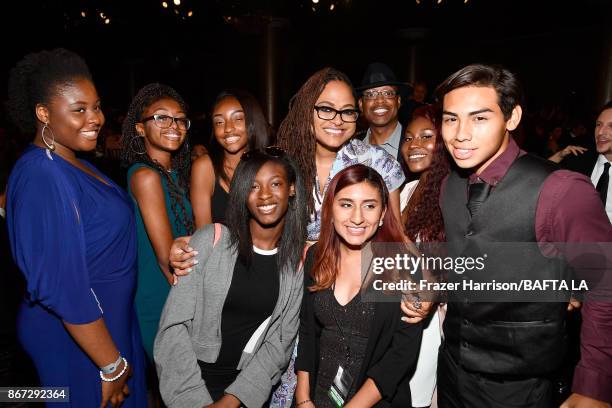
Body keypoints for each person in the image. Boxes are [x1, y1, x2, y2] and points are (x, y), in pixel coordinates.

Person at [435, 64, 612, 407]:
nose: (460, 133)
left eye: (479, 118)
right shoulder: (449, 186)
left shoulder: (561, 189)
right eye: (450, 118)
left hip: (518, 388)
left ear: (512, 118)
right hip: (452, 375)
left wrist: (595, 385)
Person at [6, 48, 146, 407]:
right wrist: (111, 366)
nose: (95, 118)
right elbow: (62, 286)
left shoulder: (69, 160)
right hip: (79, 338)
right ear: (44, 113)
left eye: (97, 106)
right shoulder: (43, 173)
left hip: (105, 325)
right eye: (79, 109)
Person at [155, 148, 308, 407]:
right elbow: (173, 328)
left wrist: (231, 401)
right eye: (253, 186)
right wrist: (193, 399)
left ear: (291, 189)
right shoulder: (211, 241)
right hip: (188, 382)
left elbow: (278, 346)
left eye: (276, 184)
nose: (266, 195)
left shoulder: (296, 264)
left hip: (246, 391)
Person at [294, 164, 423, 407]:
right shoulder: (317, 256)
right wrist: (302, 399)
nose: (357, 217)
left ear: (383, 212)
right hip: (317, 396)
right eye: (346, 204)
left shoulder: (405, 265)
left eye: (369, 206)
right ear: (331, 209)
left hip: (375, 400)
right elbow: (307, 331)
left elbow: (401, 354)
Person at [276, 67, 405, 241]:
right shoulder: (283, 164)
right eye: (327, 109)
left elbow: (396, 234)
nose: (338, 120)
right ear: (306, 111)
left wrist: (419, 267)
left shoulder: (379, 163)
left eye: (347, 111)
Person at [121, 82, 194, 362]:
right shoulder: (146, 176)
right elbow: (168, 261)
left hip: (181, 294)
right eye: (161, 117)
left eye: (178, 119)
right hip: (163, 298)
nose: (173, 125)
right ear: (141, 128)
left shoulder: (175, 174)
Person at [400, 105, 450, 408]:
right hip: (400, 310)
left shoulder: (454, 193)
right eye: (408, 138)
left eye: (426, 136)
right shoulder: (404, 191)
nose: (414, 145)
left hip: (434, 321)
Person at [191, 89, 272, 227]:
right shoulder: (205, 167)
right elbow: (203, 235)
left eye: (238, 119)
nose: (228, 128)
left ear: (252, 121)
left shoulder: (270, 165)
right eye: (219, 122)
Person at [563, 101, 612, 222]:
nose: (600, 132)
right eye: (598, 125)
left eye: (611, 126)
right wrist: (558, 156)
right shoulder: (576, 161)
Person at [355, 62, 411, 166]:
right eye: (371, 94)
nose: (380, 100)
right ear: (361, 105)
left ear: (398, 101)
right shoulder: (351, 149)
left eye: (388, 93)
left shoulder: (416, 145)